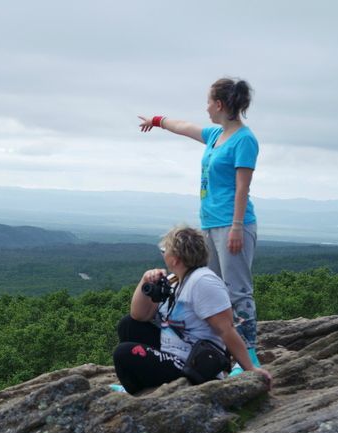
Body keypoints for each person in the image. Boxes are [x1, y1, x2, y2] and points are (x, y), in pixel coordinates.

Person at [138, 78, 260, 368]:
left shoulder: (245, 140)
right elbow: (183, 127)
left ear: (219, 104)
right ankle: (219, 355)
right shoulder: (217, 135)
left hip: (232, 225)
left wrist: (237, 227)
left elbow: (243, 187)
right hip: (212, 224)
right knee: (209, 289)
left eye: (208, 102)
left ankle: (250, 355)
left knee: (237, 291)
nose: (206, 108)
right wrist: (157, 121)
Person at [112, 225, 271, 394]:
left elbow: (226, 329)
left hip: (197, 364)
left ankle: (137, 392)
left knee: (123, 353)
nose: (162, 253)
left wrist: (250, 369)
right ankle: (139, 386)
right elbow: (139, 315)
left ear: (175, 259)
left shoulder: (203, 281)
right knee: (128, 325)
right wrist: (145, 281)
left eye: (164, 250)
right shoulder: (174, 280)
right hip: (173, 354)